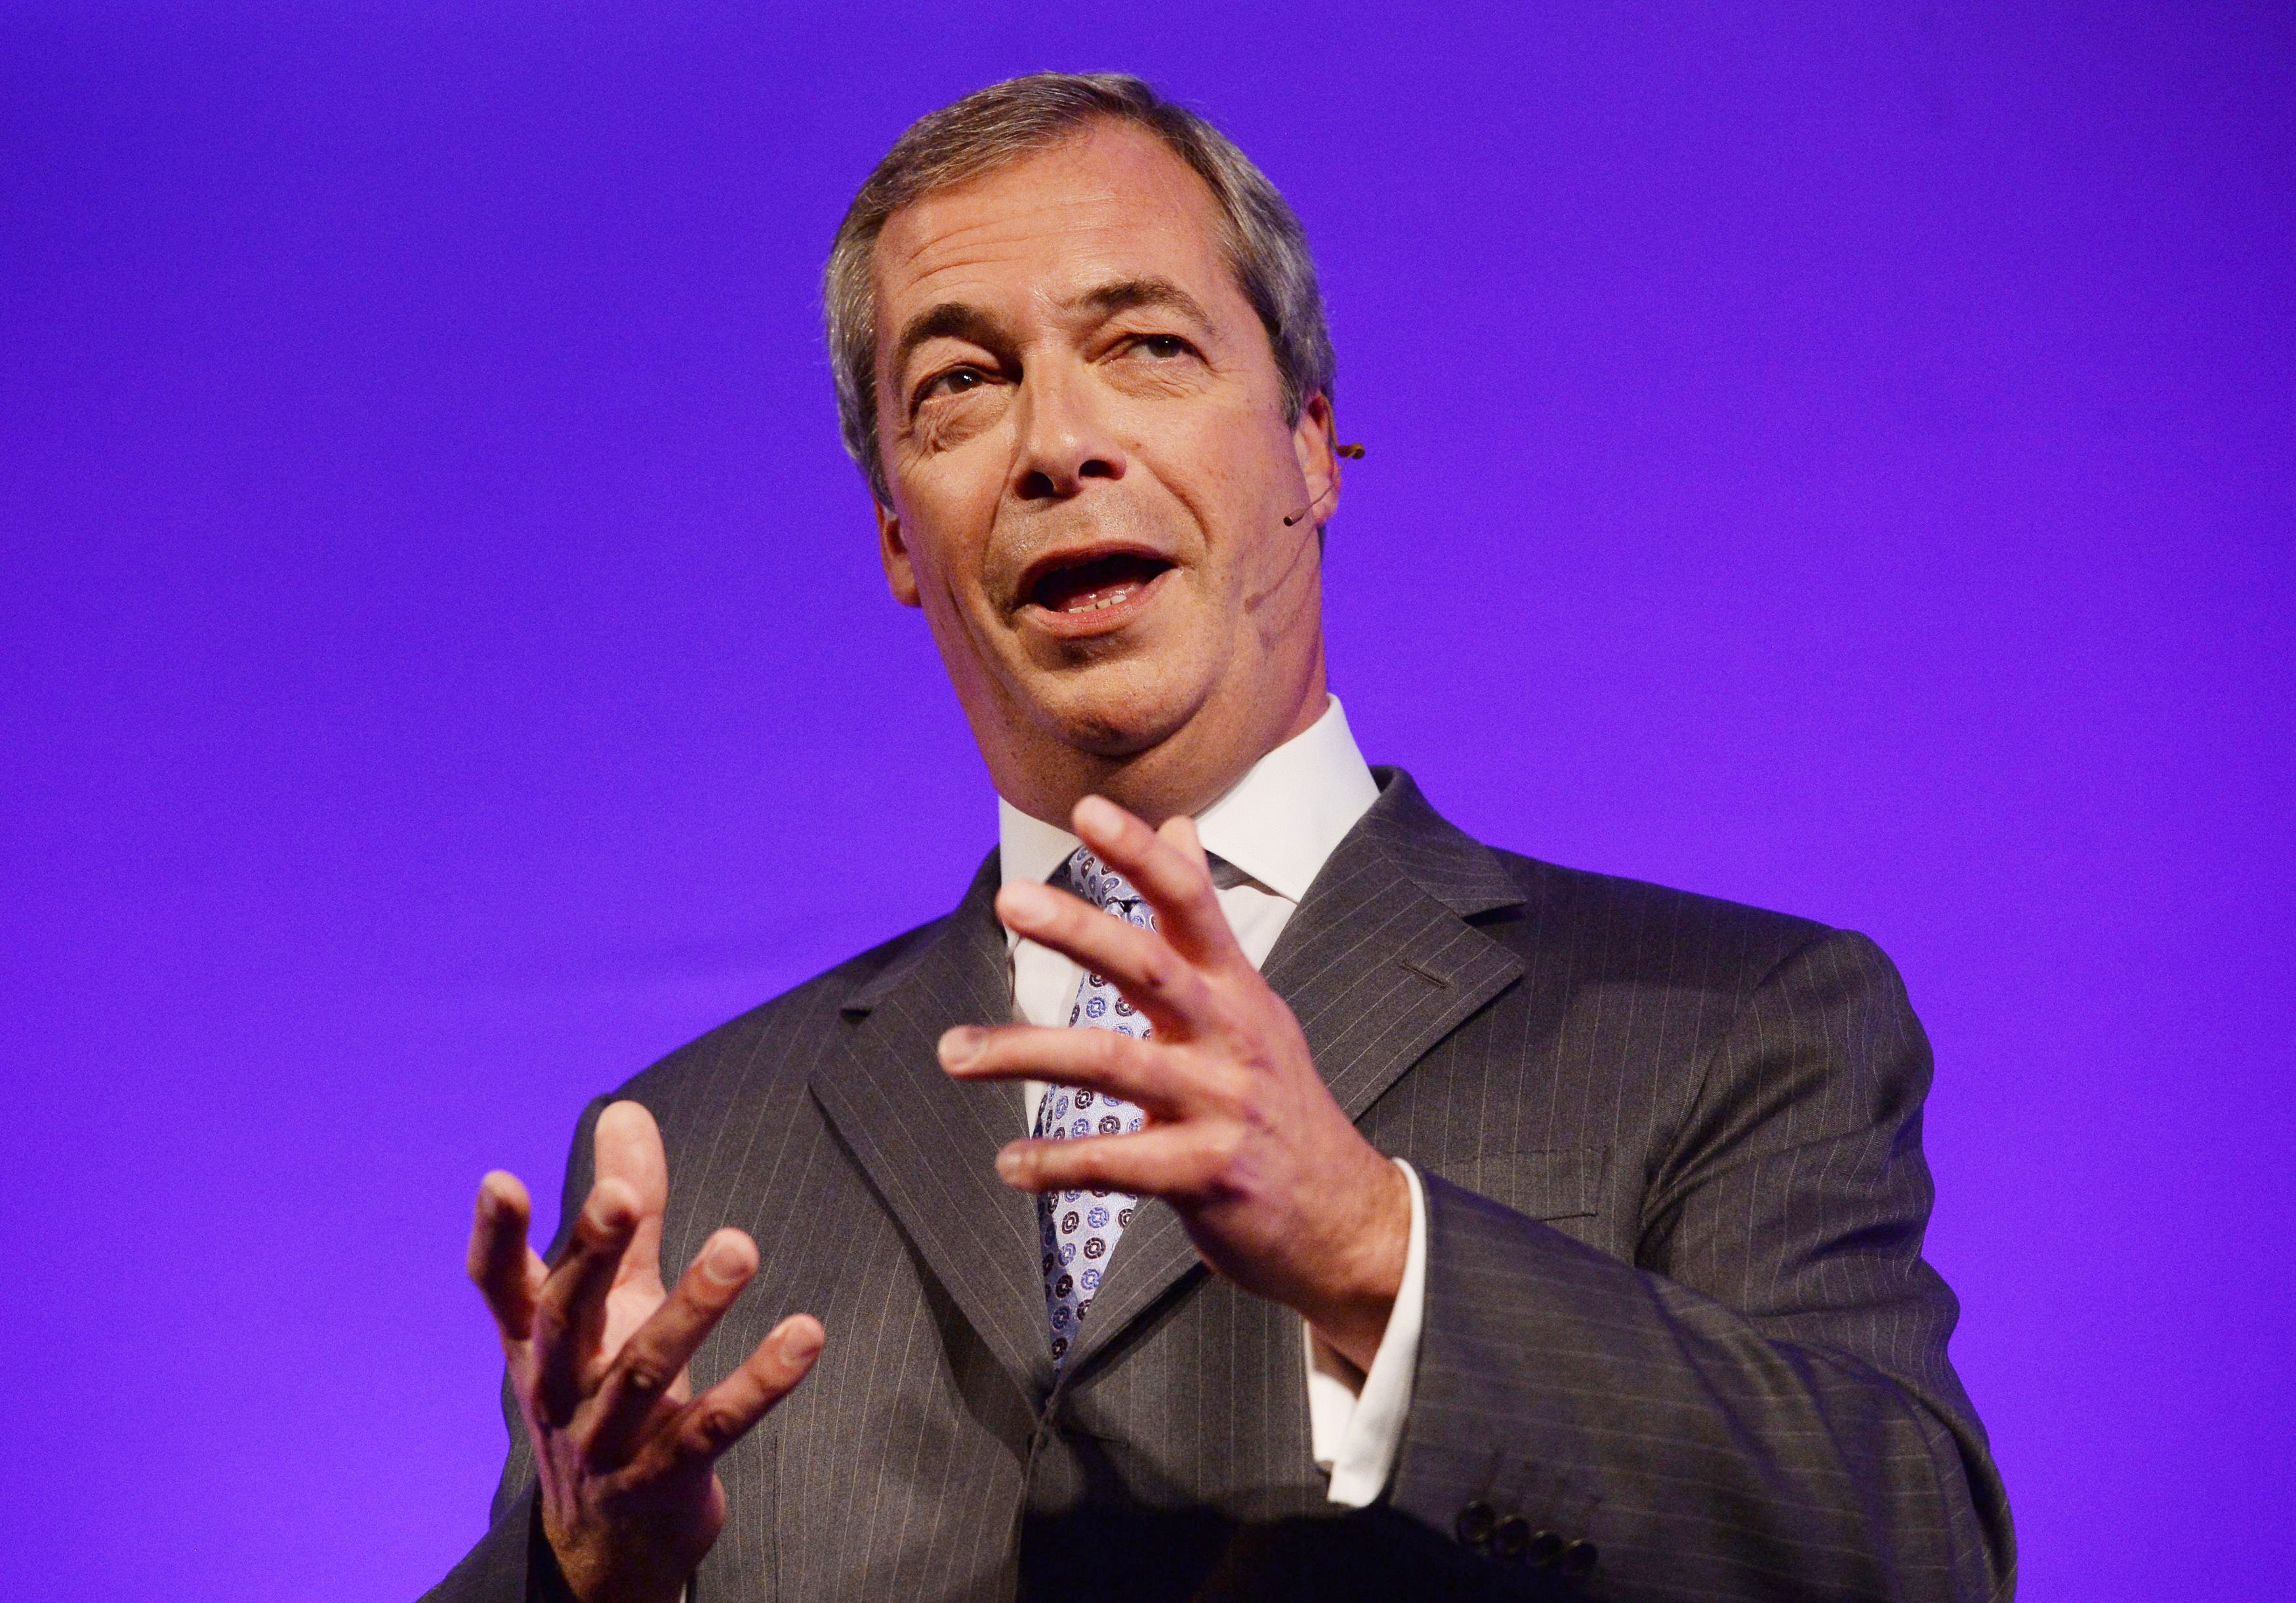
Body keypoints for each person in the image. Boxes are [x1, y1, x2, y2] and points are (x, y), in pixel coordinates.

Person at [427, 73, 2014, 1603]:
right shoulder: (695, 1142)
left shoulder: (1731, 1024)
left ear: (1311, 448)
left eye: (1145, 346)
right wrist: (587, 1583)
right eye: (960, 383)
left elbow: (1913, 1558)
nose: (1057, 441)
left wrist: (1377, 1251)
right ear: (899, 534)